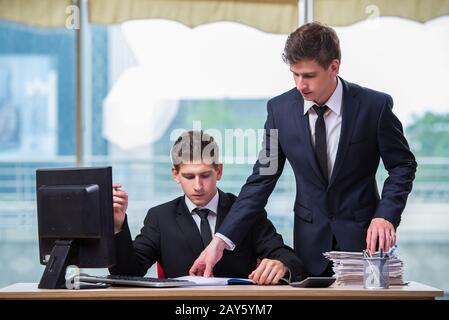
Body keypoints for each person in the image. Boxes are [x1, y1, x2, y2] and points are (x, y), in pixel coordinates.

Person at [190, 22, 417, 278]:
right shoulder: (279, 110)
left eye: (308, 75)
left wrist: (385, 215)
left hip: (365, 243)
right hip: (310, 248)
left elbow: (402, 165)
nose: (300, 84)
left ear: (334, 67)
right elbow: (261, 179)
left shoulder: (374, 107)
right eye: (294, 74)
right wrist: (220, 240)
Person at [110, 130, 306, 284]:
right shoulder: (160, 217)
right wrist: (118, 226)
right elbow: (127, 273)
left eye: (205, 175)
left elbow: (289, 257)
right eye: (189, 176)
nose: (197, 186)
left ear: (218, 171)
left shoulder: (244, 211)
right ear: (175, 175)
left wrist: (282, 264)